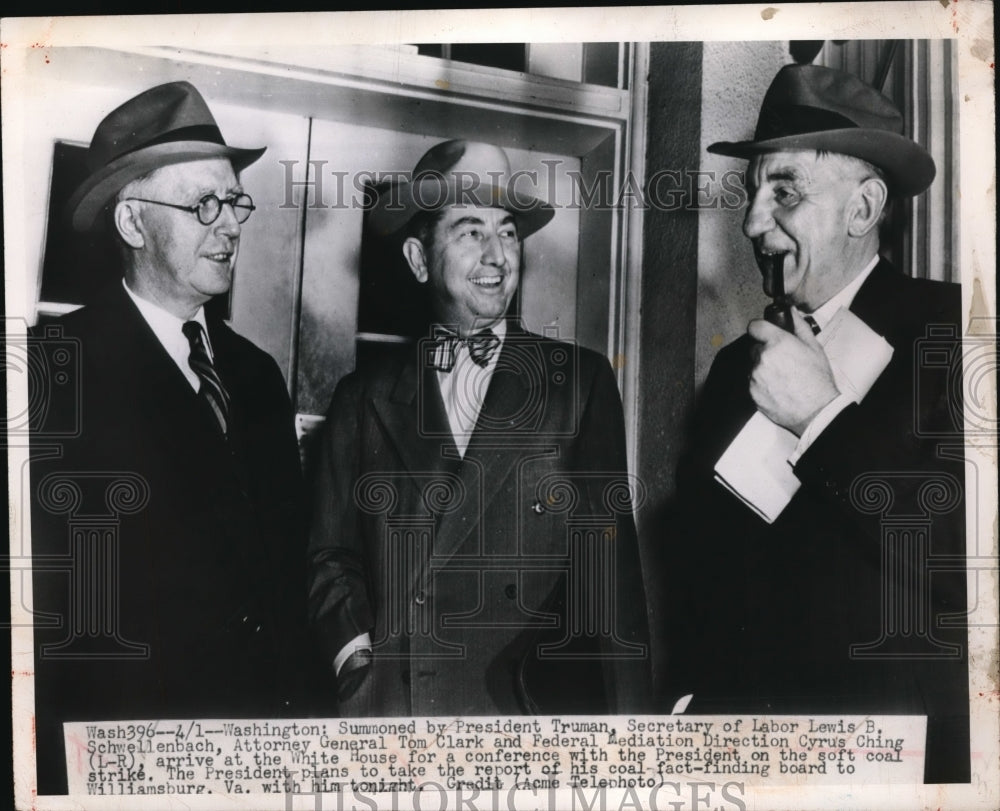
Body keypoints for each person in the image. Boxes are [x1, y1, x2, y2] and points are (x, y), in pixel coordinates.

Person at [663, 64, 968, 783]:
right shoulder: (736, 366)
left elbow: (964, 560)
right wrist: (686, 702)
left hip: (892, 763)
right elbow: (703, 566)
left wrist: (822, 417)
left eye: (785, 191)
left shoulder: (958, 333)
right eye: (752, 191)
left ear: (864, 208)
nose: (751, 222)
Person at [307, 139, 651, 716]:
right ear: (419, 259)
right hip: (395, 713)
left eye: (507, 232)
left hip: (518, 716)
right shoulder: (361, 398)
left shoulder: (578, 382)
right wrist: (354, 660)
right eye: (471, 232)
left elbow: (610, 578)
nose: (497, 256)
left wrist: (629, 736)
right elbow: (330, 555)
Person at [29, 81, 305, 793]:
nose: (231, 225)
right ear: (132, 222)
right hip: (129, 761)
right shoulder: (53, 371)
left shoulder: (257, 375)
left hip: (259, 759)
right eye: (203, 204)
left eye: (235, 202)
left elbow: (287, 576)